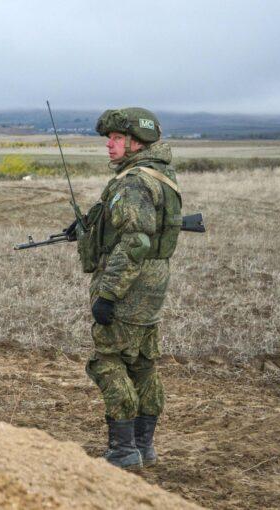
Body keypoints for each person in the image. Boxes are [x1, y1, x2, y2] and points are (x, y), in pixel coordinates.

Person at [68, 107, 182, 470]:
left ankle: (122, 451)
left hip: (129, 290)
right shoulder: (160, 174)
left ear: (136, 142)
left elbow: (135, 242)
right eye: (109, 139)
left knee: (108, 362)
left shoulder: (133, 182)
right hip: (151, 289)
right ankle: (144, 447)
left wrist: (108, 295)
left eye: (116, 139)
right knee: (144, 366)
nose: (109, 145)